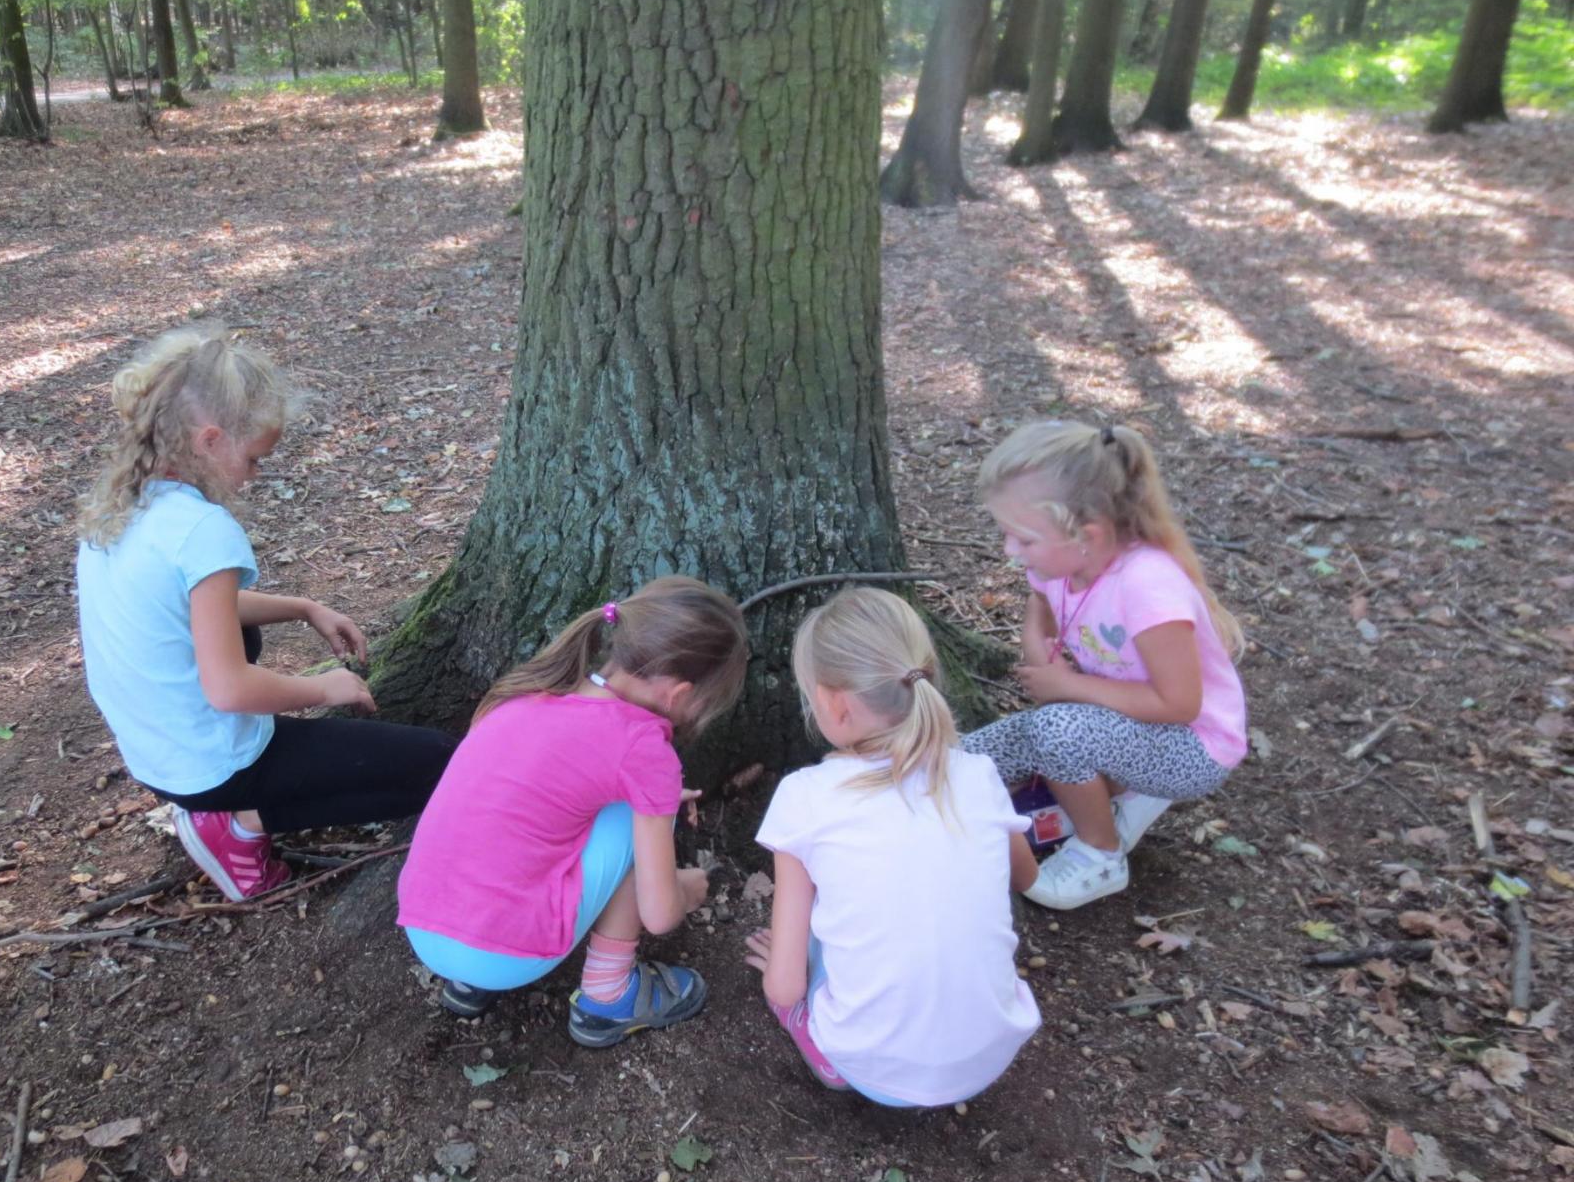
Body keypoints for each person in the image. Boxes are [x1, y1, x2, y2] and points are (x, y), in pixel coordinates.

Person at [75, 326, 455, 901]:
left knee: (246, 632)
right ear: (210, 440)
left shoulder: (125, 503)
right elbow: (230, 689)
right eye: (254, 459)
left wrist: (304, 608)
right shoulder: (204, 530)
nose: (255, 475)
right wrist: (324, 688)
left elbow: (192, 609)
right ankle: (237, 825)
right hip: (211, 769)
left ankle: (229, 807)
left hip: (156, 755)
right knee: (441, 764)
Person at [397, 577, 747, 1048]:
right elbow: (661, 915)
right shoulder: (643, 748)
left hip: (424, 927)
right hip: (507, 956)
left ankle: (469, 984)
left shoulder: (531, 690)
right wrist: (685, 886)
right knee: (640, 817)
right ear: (679, 694)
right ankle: (608, 994)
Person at [744, 587, 1040, 1107]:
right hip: (990, 1055)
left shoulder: (804, 797)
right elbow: (1026, 877)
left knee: (814, 931)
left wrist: (785, 969)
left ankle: (826, 1052)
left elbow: (783, 987)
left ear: (833, 703)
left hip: (869, 1068)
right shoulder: (978, 774)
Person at [963, 420, 1247, 910]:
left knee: (1055, 730)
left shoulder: (1148, 587)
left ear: (1086, 534)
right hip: (1116, 718)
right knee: (970, 755)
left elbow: (1180, 704)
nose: (1010, 551)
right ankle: (1096, 790)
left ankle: (1102, 852)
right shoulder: (1061, 563)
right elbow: (1042, 619)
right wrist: (1041, 650)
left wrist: (1067, 687)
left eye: (1023, 539)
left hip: (1193, 746)